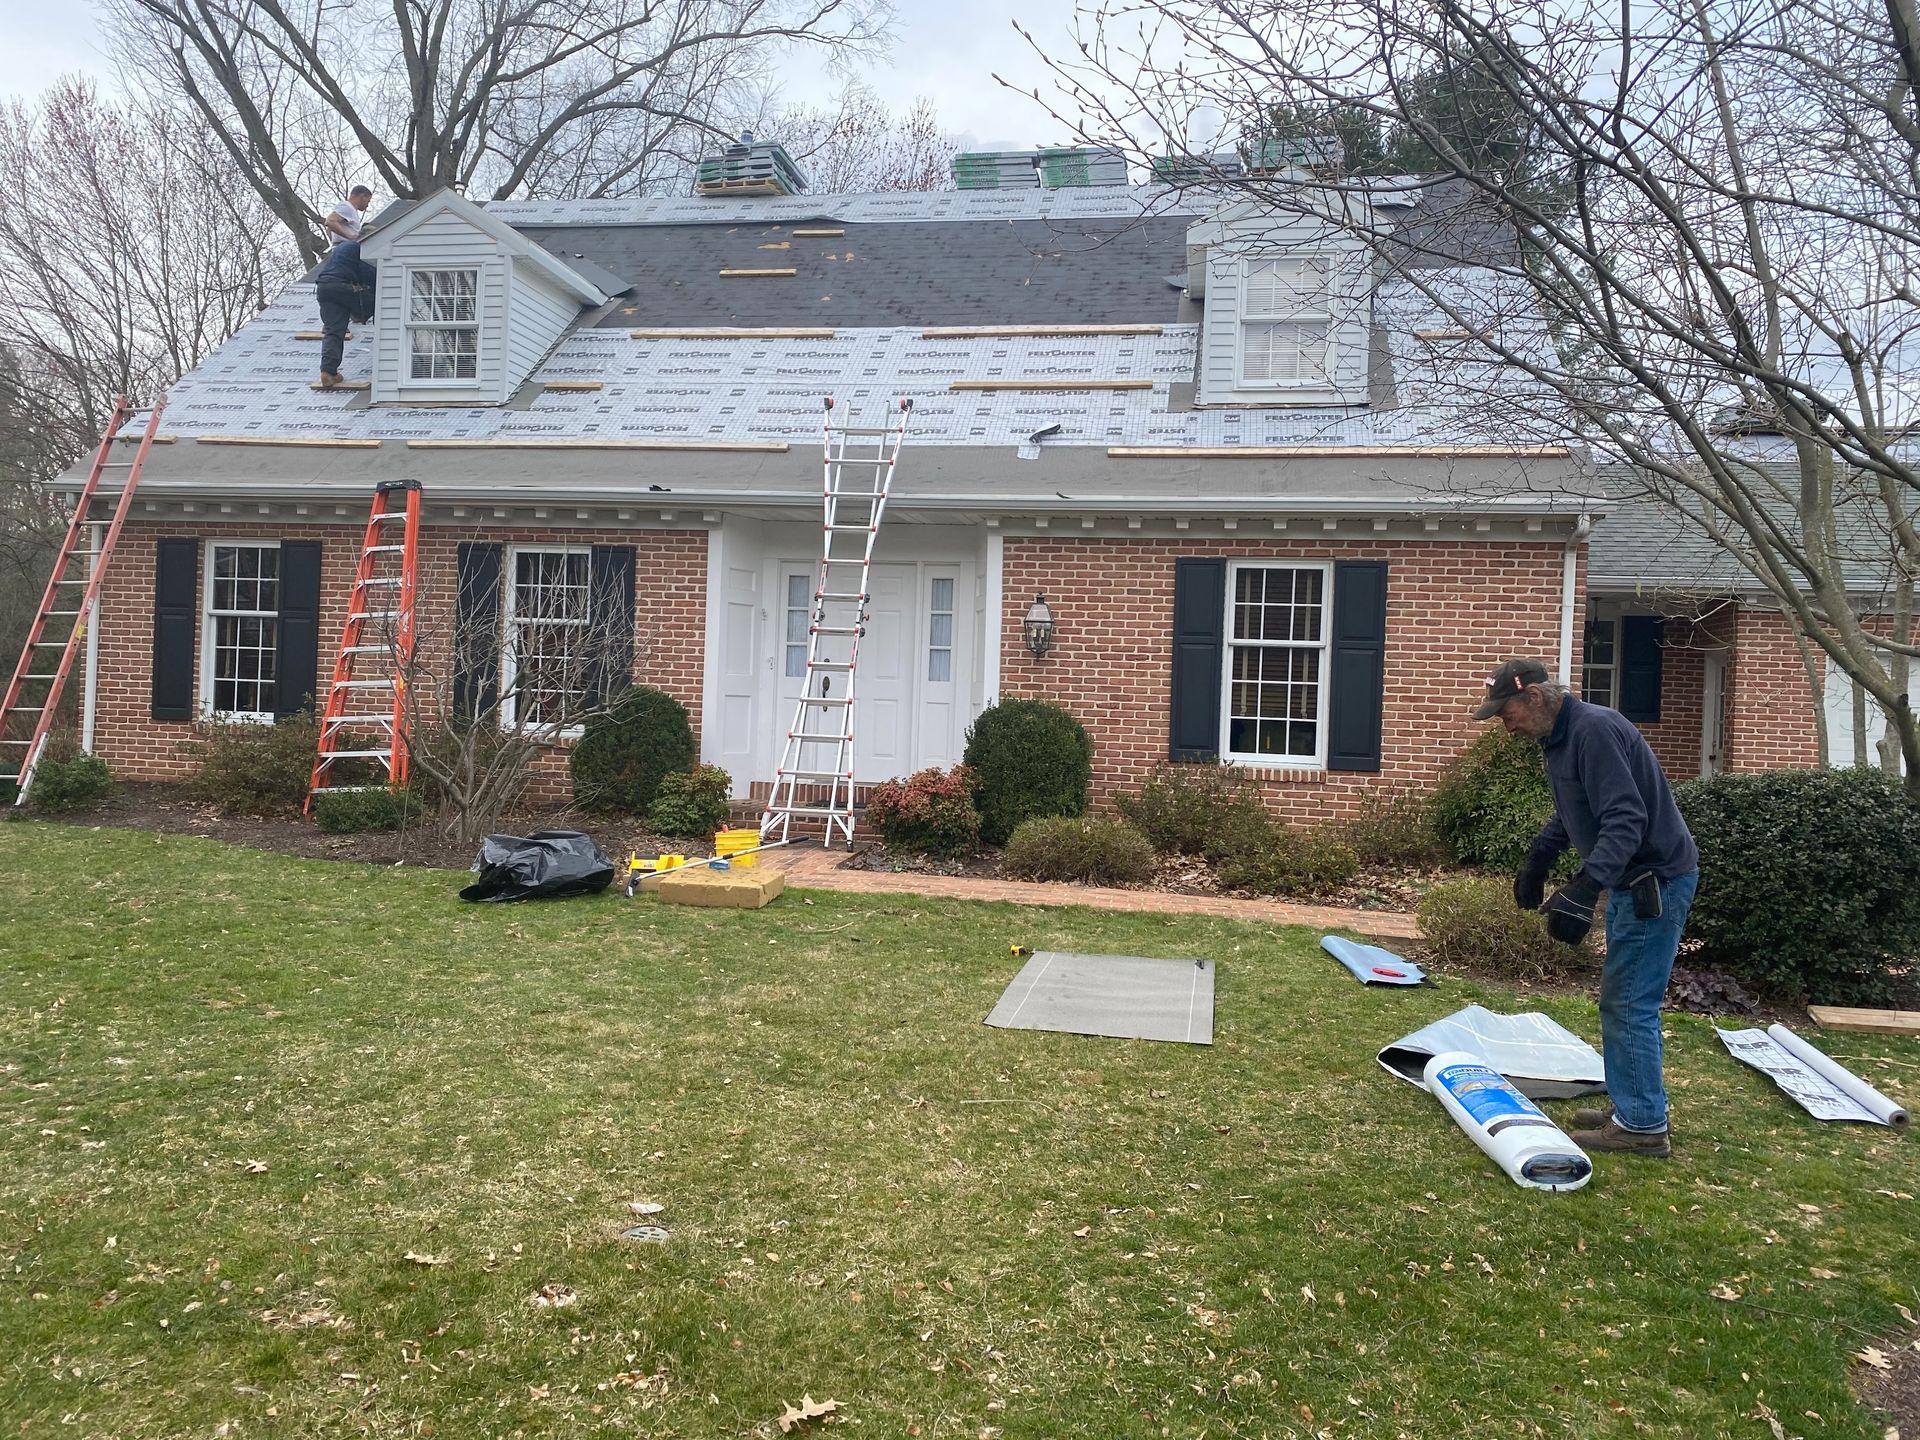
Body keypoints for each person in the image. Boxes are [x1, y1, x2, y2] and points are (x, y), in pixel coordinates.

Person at [1472, 658, 1701, 1158]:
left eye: (1504, 711)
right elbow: (1575, 807)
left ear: (1533, 698)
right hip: (1633, 880)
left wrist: (1585, 885)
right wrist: (1540, 857)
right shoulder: (1561, 738)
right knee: (1619, 1000)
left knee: (1629, 1004)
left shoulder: (1594, 731)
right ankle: (1632, 1105)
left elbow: (1626, 817)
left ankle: (1642, 1126)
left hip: (1653, 881)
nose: (1502, 723)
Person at [314, 238, 377, 387]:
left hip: (323, 288)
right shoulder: (360, 249)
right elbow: (372, 276)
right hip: (342, 287)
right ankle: (359, 315)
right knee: (380, 302)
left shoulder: (343, 249)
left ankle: (328, 372)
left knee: (333, 331)